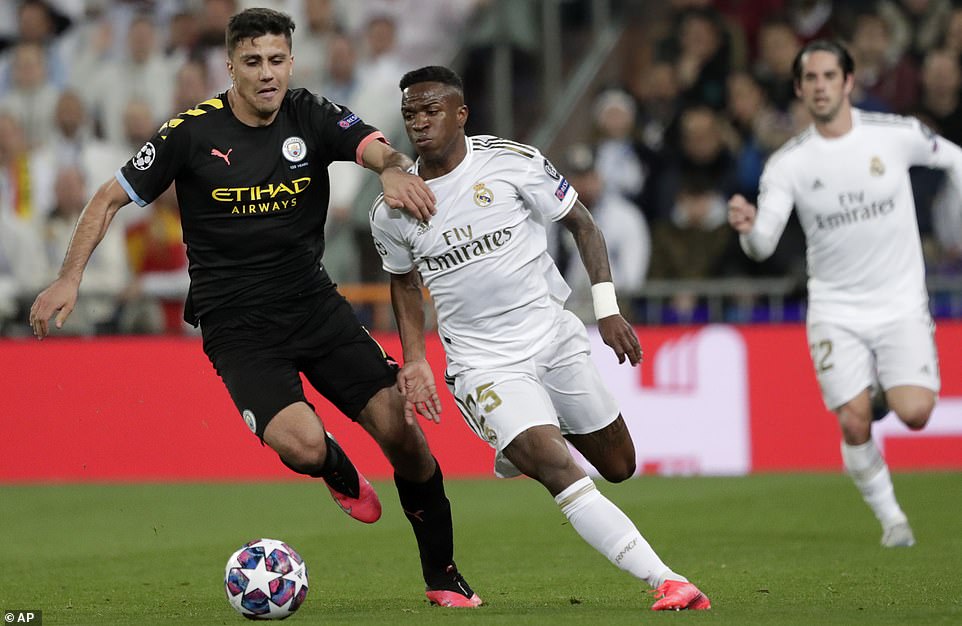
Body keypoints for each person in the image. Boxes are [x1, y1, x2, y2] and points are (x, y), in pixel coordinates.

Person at [29, 8, 481, 608]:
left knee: (405, 435)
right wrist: (69, 277)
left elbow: (375, 147)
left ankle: (442, 576)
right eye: (252, 62)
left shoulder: (309, 112)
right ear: (230, 67)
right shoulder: (189, 132)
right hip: (236, 325)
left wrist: (394, 170)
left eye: (276, 60)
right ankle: (335, 468)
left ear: (291, 62)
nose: (267, 73)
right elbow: (110, 196)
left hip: (314, 305)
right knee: (303, 447)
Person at [371, 65, 711, 612]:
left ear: (461, 114)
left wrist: (607, 310)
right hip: (484, 364)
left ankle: (523, 441)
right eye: (411, 113)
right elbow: (405, 284)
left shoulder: (512, 163)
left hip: (553, 338)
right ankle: (667, 580)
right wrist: (415, 360)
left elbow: (584, 225)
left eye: (432, 110)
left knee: (619, 465)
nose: (420, 122)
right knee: (559, 468)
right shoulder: (392, 209)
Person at [728, 39, 962, 547]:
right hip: (836, 308)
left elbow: (955, 159)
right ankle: (893, 521)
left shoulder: (895, 135)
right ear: (798, 89)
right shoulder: (788, 164)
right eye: (810, 79)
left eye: (829, 76)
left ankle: (879, 395)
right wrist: (747, 228)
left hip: (900, 301)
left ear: (848, 82)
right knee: (853, 423)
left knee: (916, 413)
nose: (820, 87)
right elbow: (763, 244)